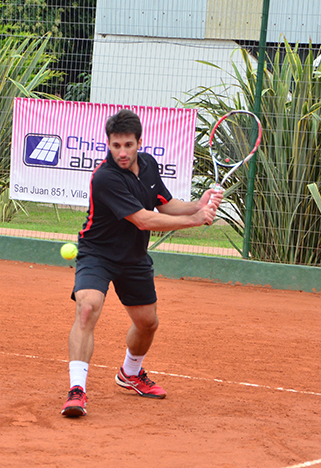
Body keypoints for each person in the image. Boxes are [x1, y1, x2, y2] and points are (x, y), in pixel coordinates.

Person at [61, 109, 223, 417]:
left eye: (128, 145)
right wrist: (195, 220)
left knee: (148, 323)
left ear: (138, 143)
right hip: (98, 254)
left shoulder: (148, 165)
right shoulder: (105, 177)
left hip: (133, 258)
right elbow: (144, 220)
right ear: (108, 144)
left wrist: (198, 204)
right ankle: (77, 390)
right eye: (115, 146)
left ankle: (130, 373)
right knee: (87, 307)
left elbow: (165, 203)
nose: (121, 152)